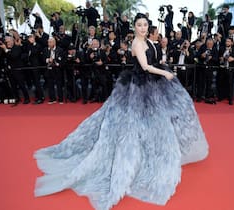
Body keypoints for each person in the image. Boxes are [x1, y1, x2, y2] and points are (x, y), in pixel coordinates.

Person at [34, 13, 208, 210]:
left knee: (160, 120)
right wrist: (165, 72)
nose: (142, 28)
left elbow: (155, 60)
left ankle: (155, 150)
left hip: (153, 87)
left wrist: (162, 66)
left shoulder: (150, 42)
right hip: (140, 88)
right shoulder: (137, 44)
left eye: (145, 25)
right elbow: (145, 66)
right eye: (139, 25)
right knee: (135, 123)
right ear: (134, 27)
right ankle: (139, 157)